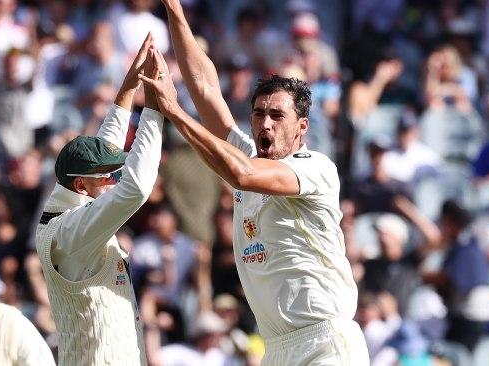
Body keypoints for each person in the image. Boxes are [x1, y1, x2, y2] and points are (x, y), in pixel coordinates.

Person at [139, 1, 370, 364]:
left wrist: (174, 111)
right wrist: (175, 11)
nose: (265, 124)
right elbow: (204, 87)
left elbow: (242, 175)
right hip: (277, 348)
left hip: (324, 342)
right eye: (259, 114)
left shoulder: (314, 168)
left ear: (302, 127)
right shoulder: (248, 155)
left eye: (277, 115)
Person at [35, 34, 164, 365]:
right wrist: (154, 108)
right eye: (107, 177)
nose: (113, 179)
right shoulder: (70, 230)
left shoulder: (71, 196)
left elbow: (102, 149)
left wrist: (129, 87)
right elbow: (135, 189)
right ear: (81, 184)